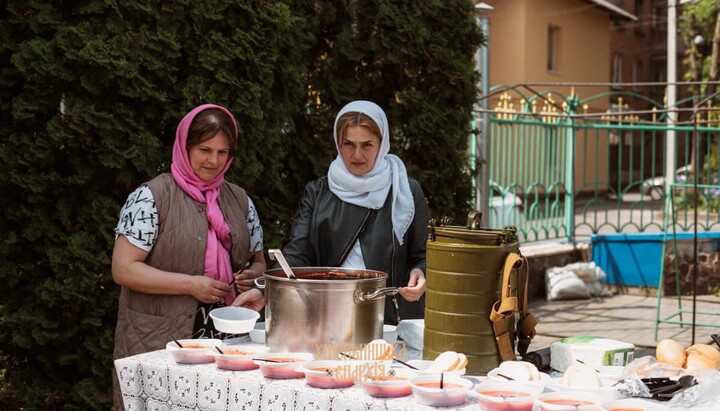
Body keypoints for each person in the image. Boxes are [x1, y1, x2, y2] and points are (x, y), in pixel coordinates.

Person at [111, 104, 265, 409]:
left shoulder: (240, 199)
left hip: (228, 338)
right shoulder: (151, 197)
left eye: (223, 153)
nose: (214, 161)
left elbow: (259, 261)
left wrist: (253, 279)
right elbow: (124, 269)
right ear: (184, 146)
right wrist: (190, 285)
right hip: (158, 338)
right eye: (204, 149)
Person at [234, 100, 430, 324]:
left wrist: (421, 272)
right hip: (326, 315)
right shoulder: (318, 192)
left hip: (388, 320)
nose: (357, 155)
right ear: (338, 144)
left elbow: (424, 254)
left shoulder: (405, 190)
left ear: (382, 143)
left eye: (367, 145)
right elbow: (296, 255)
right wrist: (265, 290)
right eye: (348, 144)